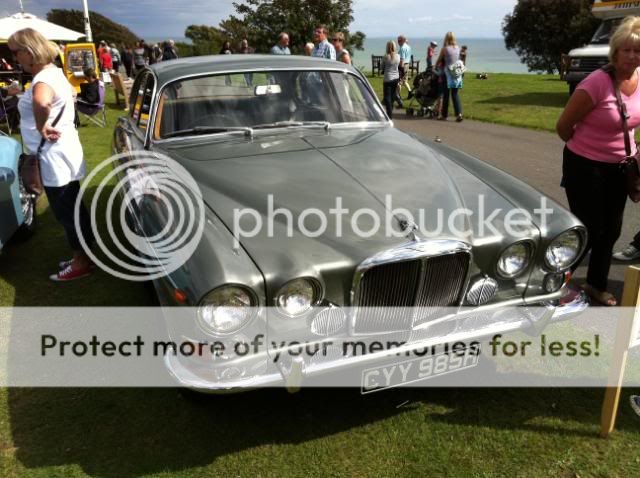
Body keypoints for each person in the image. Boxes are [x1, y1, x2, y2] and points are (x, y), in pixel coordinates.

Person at [555, 16, 640, 306]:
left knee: (612, 229)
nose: (631, 56)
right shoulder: (596, 83)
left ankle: (595, 284)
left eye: (637, 50)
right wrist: (590, 147)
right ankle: (555, 283)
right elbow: (563, 127)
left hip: (620, 167)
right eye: (626, 49)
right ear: (615, 51)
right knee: (589, 230)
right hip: (585, 166)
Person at [8, 28, 94, 281]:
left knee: (66, 211)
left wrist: (40, 125)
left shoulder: (42, 80)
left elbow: (42, 102)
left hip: (54, 155)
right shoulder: (54, 73)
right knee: (73, 207)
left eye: (16, 52)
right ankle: (85, 257)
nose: (15, 58)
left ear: (29, 51)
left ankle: (81, 263)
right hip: (63, 150)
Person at [435, 31, 464, 122]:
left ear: (446, 38)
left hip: (447, 73)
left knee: (446, 95)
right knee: (455, 94)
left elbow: (439, 60)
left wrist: (435, 66)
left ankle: (444, 115)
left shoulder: (445, 49)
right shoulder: (457, 48)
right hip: (456, 71)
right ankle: (459, 114)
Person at [382, 40, 400, 119]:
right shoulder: (398, 56)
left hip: (388, 79)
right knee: (392, 97)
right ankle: (390, 112)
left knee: (387, 97)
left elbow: (382, 67)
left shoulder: (386, 56)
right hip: (396, 78)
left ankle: (389, 115)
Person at [396, 35, 411, 108]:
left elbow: (402, 59)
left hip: (403, 66)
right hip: (407, 64)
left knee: (399, 82)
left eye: (399, 40)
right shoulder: (408, 47)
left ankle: (398, 97)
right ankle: (410, 92)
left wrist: (400, 68)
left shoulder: (402, 48)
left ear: (402, 40)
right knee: (405, 81)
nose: (398, 42)